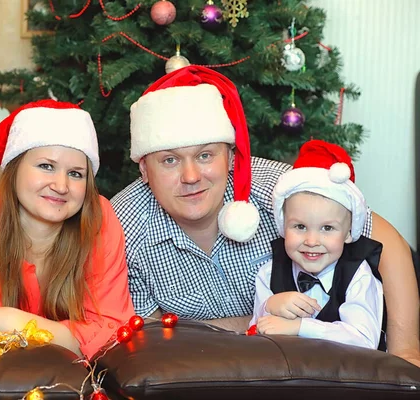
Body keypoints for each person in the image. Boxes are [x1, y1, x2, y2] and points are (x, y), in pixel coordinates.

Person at [110, 65, 420, 366]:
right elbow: (146, 334)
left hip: (348, 341)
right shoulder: (122, 225)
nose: (191, 176)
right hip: (236, 363)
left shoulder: (279, 187)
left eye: (205, 156)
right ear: (144, 170)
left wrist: (405, 350)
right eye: (169, 161)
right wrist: (255, 326)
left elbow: (387, 242)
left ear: (230, 157)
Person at [0, 99, 134, 360]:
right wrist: (74, 337)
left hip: (49, 366)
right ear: (14, 167)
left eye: (76, 174)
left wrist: (13, 320)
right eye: (46, 166)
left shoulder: (99, 215)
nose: (61, 186)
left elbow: (112, 329)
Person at [249, 139, 385, 350]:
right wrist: (269, 306)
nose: (311, 241)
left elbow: (364, 339)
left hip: (349, 377)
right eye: (300, 226)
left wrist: (301, 326)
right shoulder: (269, 273)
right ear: (283, 226)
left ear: (348, 233)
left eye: (327, 228)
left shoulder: (359, 275)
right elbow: (256, 334)